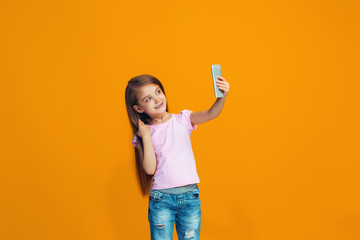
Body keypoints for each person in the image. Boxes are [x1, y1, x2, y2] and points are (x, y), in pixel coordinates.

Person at [125, 74, 230, 240]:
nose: (157, 99)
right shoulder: (145, 133)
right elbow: (149, 168)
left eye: (158, 91)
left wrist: (221, 97)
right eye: (148, 99)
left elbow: (211, 114)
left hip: (190, 197)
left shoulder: (183, 119)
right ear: (138, 108)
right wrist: (145, 135)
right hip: (161, 200)